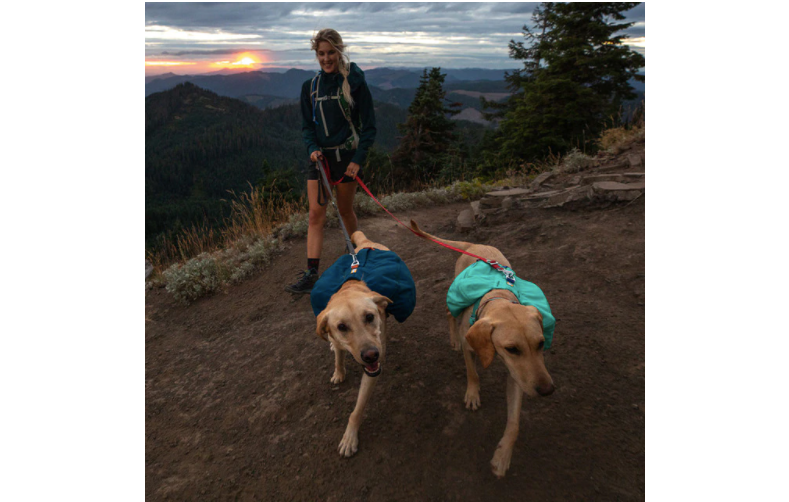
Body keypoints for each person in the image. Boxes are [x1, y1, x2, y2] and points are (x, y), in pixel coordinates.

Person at [285, 28, 377, 294]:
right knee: (316, 214)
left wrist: (358, 160)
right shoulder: (310, 87)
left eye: (331, 53)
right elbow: (306, 127)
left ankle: (357, 259)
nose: (326, 58)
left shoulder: (354, 81)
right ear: (316, 54)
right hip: (320, 160)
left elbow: (369, 126)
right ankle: (312, 272)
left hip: (347, 159)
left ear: (339, 51)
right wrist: (312, 148)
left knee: (346, 211)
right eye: (321, 53)